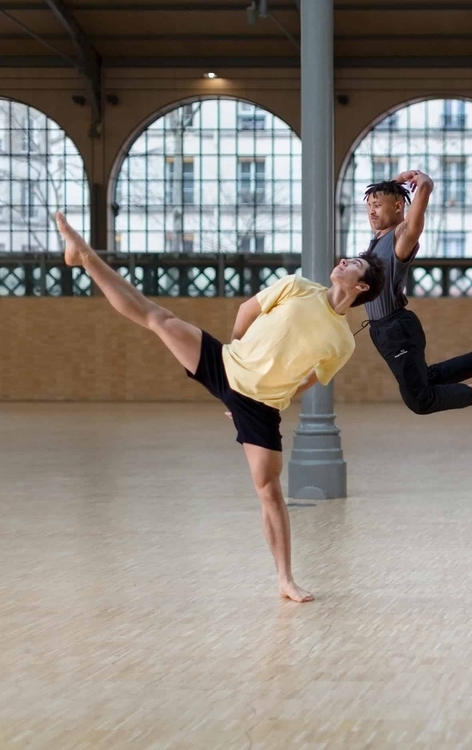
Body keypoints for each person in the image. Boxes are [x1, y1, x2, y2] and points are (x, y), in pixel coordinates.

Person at [53, 212, 385, 603]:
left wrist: (266, 393)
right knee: (157, 317)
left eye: (354, 263)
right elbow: (246, 310)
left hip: (260, 407)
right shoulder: (298, 286)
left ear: (361, 286)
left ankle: (285, 580)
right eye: (347, 258)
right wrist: (235, 354)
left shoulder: (343, 342)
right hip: (225, 363)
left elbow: (311, 378)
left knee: (269, 492)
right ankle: (85, 256)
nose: (343, 261)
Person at [359, 173, 472, 415]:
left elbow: (423, 193)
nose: (371, 212)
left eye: (377, 205)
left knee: (420, 400)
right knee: (425, 378)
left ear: (398, 207)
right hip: (382, 330)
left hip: (396, 328)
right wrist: (392, 184)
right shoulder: (378, 238)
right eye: (369, 206)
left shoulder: (401, 236)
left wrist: (422, 183)